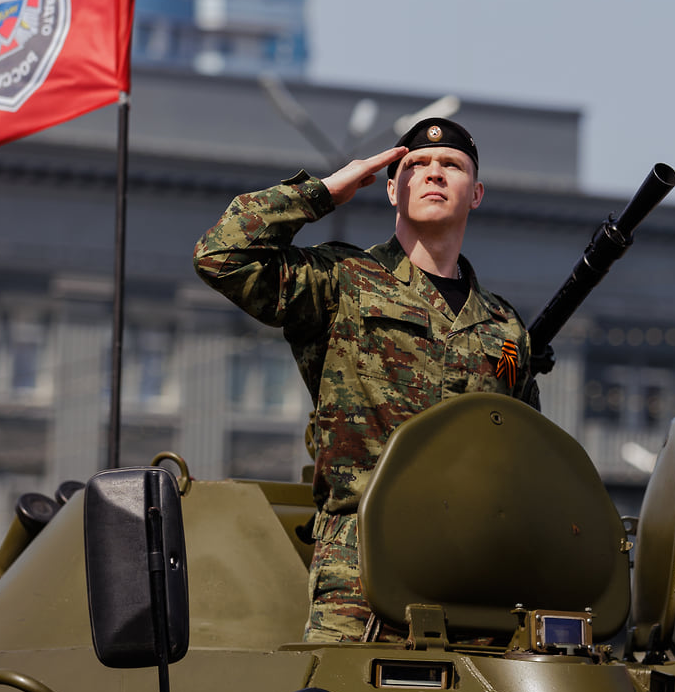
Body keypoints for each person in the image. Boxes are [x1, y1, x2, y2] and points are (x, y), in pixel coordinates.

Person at [193, 117, 539, 642]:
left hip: (474, 579)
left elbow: (525, 454)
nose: (434, 173)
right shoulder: (343, 283)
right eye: (416, 165)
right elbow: (221, 257)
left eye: (452, 166)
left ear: (477, 194)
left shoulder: (504, 326)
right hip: (361, 573)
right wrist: (324, 191)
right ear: (393, 189)